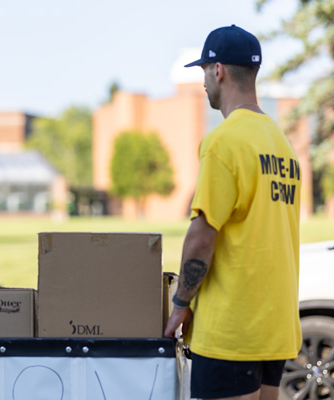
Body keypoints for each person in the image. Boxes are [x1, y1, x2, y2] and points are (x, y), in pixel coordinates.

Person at [163, 25, 302, 400]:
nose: (204, 82)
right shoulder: (281, 145)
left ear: (218, 70)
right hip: (275, 328)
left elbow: (203, 233)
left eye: (204, 71)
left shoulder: (224, 142)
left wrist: (180, 304)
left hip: (231, 330)